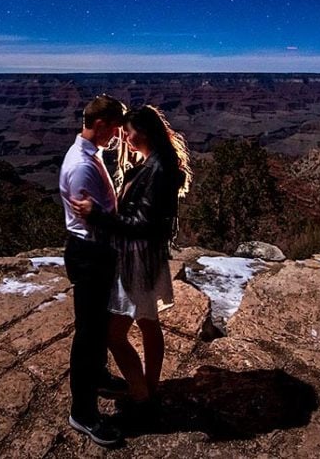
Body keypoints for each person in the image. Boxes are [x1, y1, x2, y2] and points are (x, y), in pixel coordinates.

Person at [71, 105, 192, 416]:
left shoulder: (158, 169)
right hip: (148, 257)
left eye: (129, 131)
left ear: (146, 131)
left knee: (113, 334)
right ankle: (151, 387)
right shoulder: (154, 164)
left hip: (138, 260)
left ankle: (139, 394)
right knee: (149, 323)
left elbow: (143, 225)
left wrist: (96, 215)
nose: (124, 137)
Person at [59, 94, 129, 446]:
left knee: (98, 326)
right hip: (90, 255)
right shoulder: (83, 166)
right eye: (115, 127)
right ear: (100, 124)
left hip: (94, 252)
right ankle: (83, 412)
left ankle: (98, 377)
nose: (118, 135)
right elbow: (95, 225)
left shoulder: (90, 155)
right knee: (88, 335)